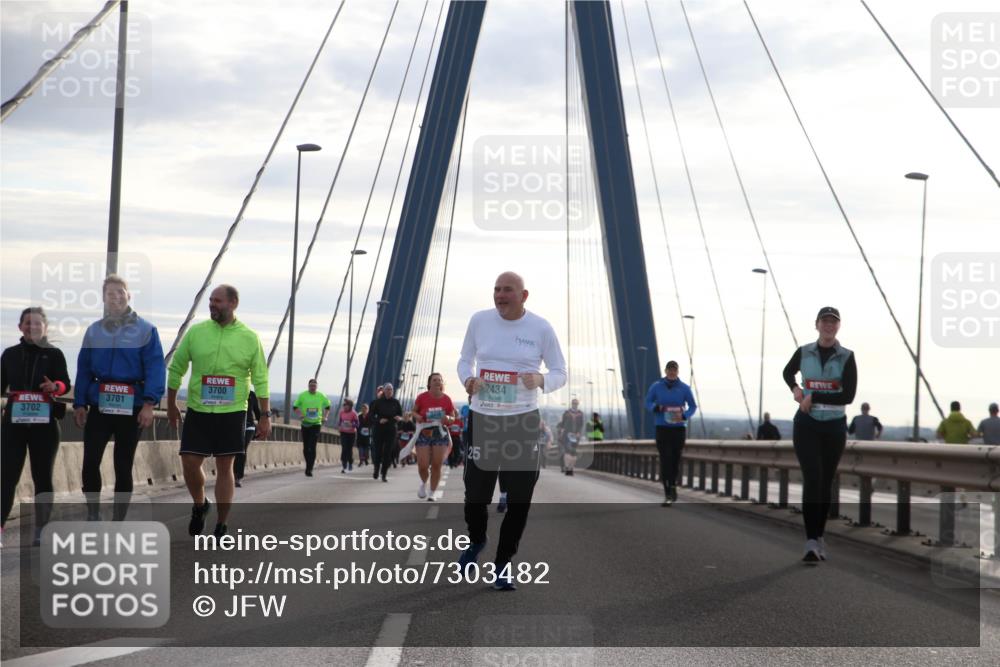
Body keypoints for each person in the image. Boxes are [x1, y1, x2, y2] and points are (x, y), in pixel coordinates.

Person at [456, 271, 567, 591]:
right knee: (475, 497)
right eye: (496, 290)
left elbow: (560, 371)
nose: (500, 295)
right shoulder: (479, 321)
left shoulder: (541, 328)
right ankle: (477, 540)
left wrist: (542, 380)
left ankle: (503, 564)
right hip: (484, 418)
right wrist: (468, 380)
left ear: (524, 295)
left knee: (520, 500)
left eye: (507, 290)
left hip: (522, 421)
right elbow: (465, 360)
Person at [167, 285, 271, 539]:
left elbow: (260, 379)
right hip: (199, 410)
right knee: (190, 461)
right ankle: (200, 504)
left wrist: (265, 415)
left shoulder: (249, 337)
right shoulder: (197, 332)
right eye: (211, 300)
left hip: (233, 411)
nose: (212, 304)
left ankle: (221, 525)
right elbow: (177, 368)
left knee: (226, 467)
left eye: (218, 301)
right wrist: (171, 404)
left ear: (233, 303)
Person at [73, 275, 165, 521]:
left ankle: (118, 520)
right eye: (110, 294)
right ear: (103, 298)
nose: (115, 297)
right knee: (90, 463)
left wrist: (149, 404)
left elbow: (156, 368)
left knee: (122, 465)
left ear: (128, 295)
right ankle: (93, 513)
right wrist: (80, 403)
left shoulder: (146, 330)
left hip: (132, 407)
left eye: (119, 292)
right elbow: (83, 369)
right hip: (100, 406)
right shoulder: (94, 331)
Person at [782, 306, 857, 564]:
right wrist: (795, 389)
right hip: (807, 424)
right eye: (824, 321)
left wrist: (814, 395)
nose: (828, 326)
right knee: (812, 478)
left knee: (825, 483)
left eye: (833, 322)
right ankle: (811, 541)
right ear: (817, 325)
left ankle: (820, 536)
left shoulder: (847, 356)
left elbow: (848, 395)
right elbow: (786, 372)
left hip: (834, 427)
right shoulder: (804, 352)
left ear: (838, 326)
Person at [1, 307, 71, 545]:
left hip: (45, 427)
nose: (33, 327)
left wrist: (56, 387)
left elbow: (65, 383)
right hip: (14, 426)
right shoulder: (9, 354)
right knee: (7, 477)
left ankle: (41, 529)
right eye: (28, 323)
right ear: (20, 327)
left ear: (45, 328)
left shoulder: (54, 354)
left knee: (43, 478)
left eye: (38, 323)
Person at [645, 360, 697, 506]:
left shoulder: (684, 388)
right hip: (662, 428)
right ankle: (667, 492)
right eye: (669, 369)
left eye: (674, 370)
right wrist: (655, 407)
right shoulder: (656, 386)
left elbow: (693, 406)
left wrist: (685, 415)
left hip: (678, 428)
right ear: (665, 371)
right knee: (665, 460)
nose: (672, 372)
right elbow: (647, 402)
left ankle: (673, 485)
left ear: (677, 372)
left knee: (674, 460)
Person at [412, 372, 457, 501]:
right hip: (424, 431)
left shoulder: (447, 399)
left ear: (442, 383)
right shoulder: (422, 397)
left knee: (437, 465)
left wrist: (448, 417)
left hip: (440, 432)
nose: (437, 382)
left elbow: (453, 417)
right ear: (429, 383)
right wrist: (419, 417)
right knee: (423, 465)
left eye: (440, 380)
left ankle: (432, 492)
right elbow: (413, 412)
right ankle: (423, 482)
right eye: (435, 380)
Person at [293, 378, 331, 476]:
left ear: (317, 387)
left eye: (314, 386)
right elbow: (295, 406)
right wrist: (300, 414)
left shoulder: (321, 395)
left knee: (312, 446)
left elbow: (328, 406)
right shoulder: (303, 395)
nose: (313, 387)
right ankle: (308, 465)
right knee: (306, 448)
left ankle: (309, 468)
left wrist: (325, 416)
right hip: (305, 423)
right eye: (311, 386)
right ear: (308, 386)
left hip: (316, 423)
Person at [370, 383, 403, 481]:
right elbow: (371, 416)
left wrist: (399, 418)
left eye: (391, 389)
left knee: (387, 452)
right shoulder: (377, 402)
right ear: (384, 391)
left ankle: (384, 474)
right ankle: (376, 469)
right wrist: (378, 420)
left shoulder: (396, 402)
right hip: (379, 429)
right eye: (387, 389)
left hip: (391, 429)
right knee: (378, 451)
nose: (389, 391)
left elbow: (400, 415)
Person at [234, 390, 260, 487]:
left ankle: (239, 477)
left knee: (242, 449)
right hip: (233, 425)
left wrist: (261, 424)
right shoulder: (232, 390)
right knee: (233, 450)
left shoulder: (251, 394)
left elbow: (257, 411)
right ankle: (232, 473)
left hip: (249, 426)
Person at [559, 399, 584, 475]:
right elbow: (562, 424)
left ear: (578, 404)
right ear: (571, 404)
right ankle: (567, 467)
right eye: (574, 403)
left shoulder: (580, 414)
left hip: (575, 436)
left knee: (573, 453)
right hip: (567, 435)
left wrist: (579, 433)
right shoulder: (566, 413)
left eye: (576, 404)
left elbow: (581, 425)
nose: (575, 405)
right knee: (567, 451)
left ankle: (571, 468)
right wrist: (562, 433)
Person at [336, 398, 359, 473]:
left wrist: (351, 424)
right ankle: (344, 465)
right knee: (344, 448)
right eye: (344, 405)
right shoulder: (341, 413)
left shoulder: (354, 413)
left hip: (351, 434)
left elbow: (357, 424)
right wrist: (339, 426)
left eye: (346, 405)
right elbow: (340, 421)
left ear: (350, 406)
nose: (345, 406)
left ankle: (350, 462)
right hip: (343, 432)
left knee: (349, 449)